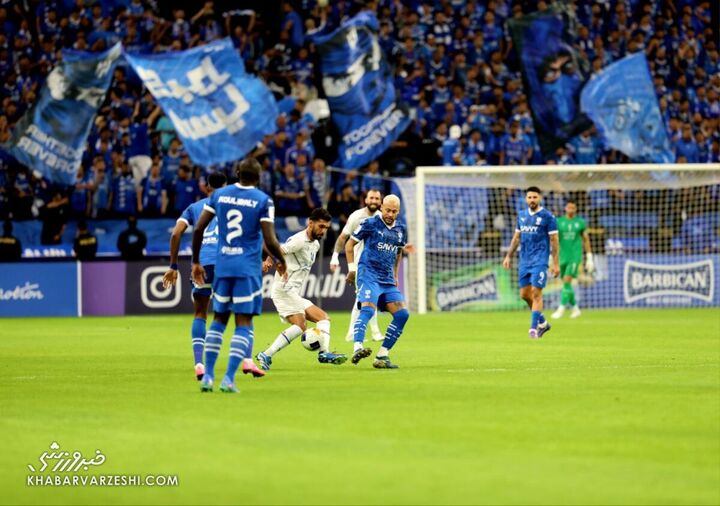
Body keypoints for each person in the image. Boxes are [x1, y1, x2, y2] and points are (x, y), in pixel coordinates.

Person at [191, 158, 286, 394]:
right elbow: (270, 239)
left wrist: (195, 261)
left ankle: (208, 377)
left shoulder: (219, 195)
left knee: (218, 320)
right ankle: (229, 380)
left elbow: (198, 228)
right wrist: (280, 260)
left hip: (223, 267)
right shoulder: (263, 201)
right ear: (260, 177)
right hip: (247, 270)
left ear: (237, 173)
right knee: (243, 322)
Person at [256, 208, 347, 370]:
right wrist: (270, 261)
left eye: (326, 227)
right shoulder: (299, 240)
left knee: (323, 318)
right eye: (321, 226)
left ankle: (323, 353)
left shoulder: (316, 244)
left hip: (293, 292)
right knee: (300, 326)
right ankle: (266, 354)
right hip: (284, 290)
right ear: (310, 223)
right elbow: (279, 249)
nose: (323, 231)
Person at [163, 172, 227, 381]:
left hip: (202, 262)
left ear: (205, 187)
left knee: (200, 312)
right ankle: (245, 359)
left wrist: (173, 265)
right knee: (237, 314)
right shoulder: (233, 204)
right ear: (226, 186)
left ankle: (199, 363)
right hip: (227, 262)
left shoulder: (194, 207)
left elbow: (175, 234)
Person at [344, 195, 410, 369]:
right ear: (381, 207)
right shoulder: (370, 223)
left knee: (403, 315)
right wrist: (351, 269)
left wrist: (395, 275)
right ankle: (357, 347)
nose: (390, 214)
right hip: (368, 274)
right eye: (387, 210)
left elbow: (398, 252)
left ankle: (382, 355)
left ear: (398, 212)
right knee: (367, 310)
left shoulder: (401, 229)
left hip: (387, 279)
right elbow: (349, 245)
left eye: (394, 211)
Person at [503, 187, 559, 339]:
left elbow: (554, 241)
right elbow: (516, 238)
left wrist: (555, 263)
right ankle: (542, 322)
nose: (532, 200)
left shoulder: (548, 216)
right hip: (525, 261)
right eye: (529, 197)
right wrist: (508, 256)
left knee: (536, 292)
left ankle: (533, 330)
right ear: (526, 199)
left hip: (540, 261)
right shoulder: (521, 215)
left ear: (539, 198)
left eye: (535, 197)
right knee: (524, 295)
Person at [329, 189, 385, 342]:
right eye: (371, 198)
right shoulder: (356, 216)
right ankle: (374, 333)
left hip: (376, 264)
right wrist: (335, 257)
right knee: (368, 296)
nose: (374, 201)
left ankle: (353, 334)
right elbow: (343, 238)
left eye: (377, 198)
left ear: (381, 202)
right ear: (365, 200)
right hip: (360, 263)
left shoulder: (382, 217)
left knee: (365, 297)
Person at [552, 200, 594, 319]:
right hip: (562, 257)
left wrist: (589, 257)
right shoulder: (559, 222)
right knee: (566, 284)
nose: (571, 210)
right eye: (569, 207)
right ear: (565, 208)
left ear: (576, 209)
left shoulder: (580, 222)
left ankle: (560, 309)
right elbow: (555, 240)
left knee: (567, 281)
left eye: (573, 208)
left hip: (574, 257)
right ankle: (576, 309)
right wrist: (552, 255)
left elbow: (586, 239)